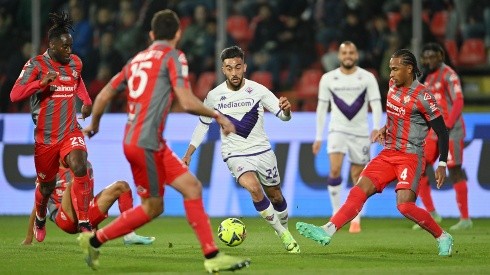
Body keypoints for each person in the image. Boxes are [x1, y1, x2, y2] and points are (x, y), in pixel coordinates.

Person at [80, 10, 250, 273]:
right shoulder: (173, 56)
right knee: (152, 207)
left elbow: (103, 95)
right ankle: (94, 239)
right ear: (178, 34)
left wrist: (94, 124)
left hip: (142, 141)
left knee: (192, 187)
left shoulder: (135, 61)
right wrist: (217, 115)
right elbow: (185, 100)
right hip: (145, 143)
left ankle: (212, 255)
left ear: (151, 34)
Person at [296, 49, 454, 256]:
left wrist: (442, 163)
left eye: (395, 69)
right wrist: (384, 129)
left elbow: (442, 131)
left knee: (405, 206)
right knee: (359, 189)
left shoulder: (423, 96)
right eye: (390, 69)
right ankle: (328, 229)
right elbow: (397, 116)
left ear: (409, 69)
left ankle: (443, 236)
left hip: (410, 156)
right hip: (388, 153)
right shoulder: (391, 87)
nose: (391, 74)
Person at [182, 45, 300, 254]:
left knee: (276, 196)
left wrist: (287, 111)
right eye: (229, 68)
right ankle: (283, 235)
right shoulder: (214, 96)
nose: (234, 72)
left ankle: (283, 228)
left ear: (244, 67)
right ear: (223, 70)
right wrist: (189, 152)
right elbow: (202, 124)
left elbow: (283, 116)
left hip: (262, 151)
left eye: (237, 67)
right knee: (254, 188)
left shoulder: (258, 90)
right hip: (234, 154)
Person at [10, 12, 93, 242]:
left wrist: (86, 101)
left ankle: (85, 222)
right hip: (46, 138)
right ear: (52, 45)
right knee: (46, 187)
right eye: (65, 46)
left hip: (70, 130)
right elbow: (15, 94)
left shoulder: (75, 62)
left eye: (71, 45)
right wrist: (40, 83)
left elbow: (77, 81)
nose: (69, 50)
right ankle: (40, 216)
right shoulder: (36, 64)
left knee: (80, 165)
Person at [313, 41, 383, 233]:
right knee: (334, 170)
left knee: (358, 176)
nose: (348, 56)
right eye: (345, 53)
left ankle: (355, 217)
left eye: (351, 52)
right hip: (337, 130)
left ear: (357, 55)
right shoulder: (328, 78)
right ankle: (336, 212)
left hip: (360, 132)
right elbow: (321, 108)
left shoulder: (367, 77)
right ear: (339, 56)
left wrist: (376, 127)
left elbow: (376, 104)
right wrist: (318, 136)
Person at [22, 162, 155, 245]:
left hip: (84, 217)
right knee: (75, 183)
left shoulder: (85, 165)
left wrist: (94, 231)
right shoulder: (49, 171)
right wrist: (29, 238)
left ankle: (129, 235)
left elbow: (88, 198)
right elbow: (38, 205)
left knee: (122, 186)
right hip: (64, 219)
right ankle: (84, 226)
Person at [412, 43, 472, 231]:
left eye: (433, 56)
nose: (429, 60)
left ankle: (465, 219)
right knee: (419, 167)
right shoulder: (428, 79)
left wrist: (447, 124)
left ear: (441, 56)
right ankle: (431, 213)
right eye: (426, 57)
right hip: (433, 132)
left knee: (454, 170)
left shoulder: (449, 75)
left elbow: (459, 101)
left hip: (451, 129)